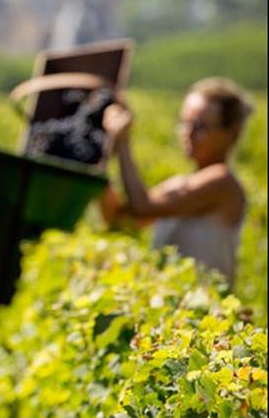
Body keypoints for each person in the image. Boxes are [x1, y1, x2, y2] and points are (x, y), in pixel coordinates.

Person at [101, 77, 253, 285]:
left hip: (204, 304)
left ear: (232, 132)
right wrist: (96, 168)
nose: (188, 133)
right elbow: (122, 221)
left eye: (199, 126)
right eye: (185, 123)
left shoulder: (222, 182)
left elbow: (143, 206)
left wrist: (123, 144)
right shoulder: (181, 185)